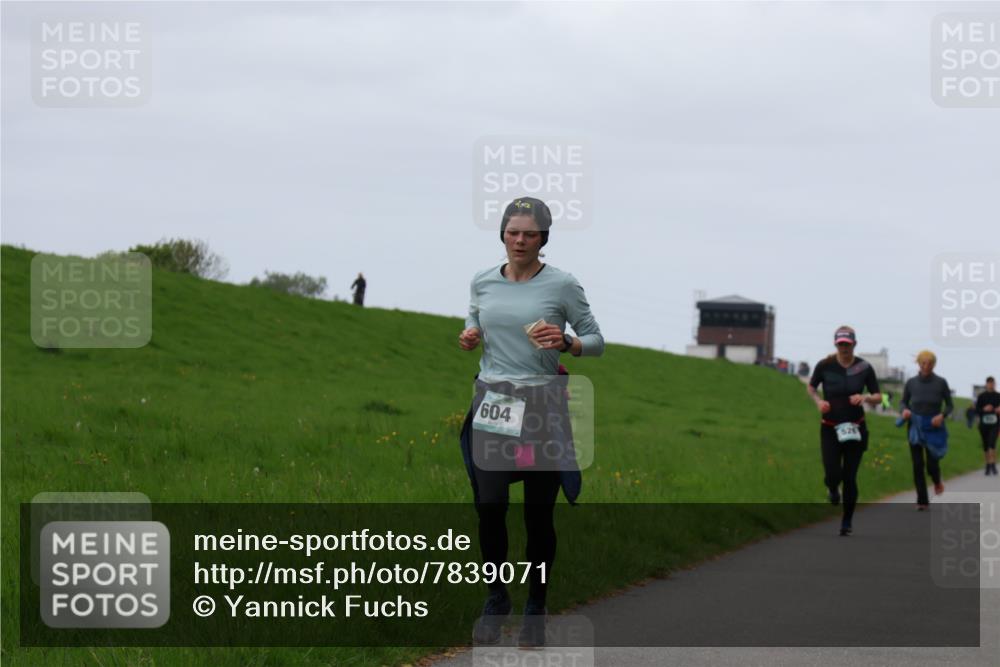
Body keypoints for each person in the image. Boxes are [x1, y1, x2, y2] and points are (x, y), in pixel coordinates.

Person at [457, 197, 604, 648]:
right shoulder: (483, 281)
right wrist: (471, 334)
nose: (520, 240)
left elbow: (596, 341)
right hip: (496, 403)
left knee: (538, 517)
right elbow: (474, 318)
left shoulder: (562, 285)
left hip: (541, 406)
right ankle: (496, 597)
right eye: (513, 232)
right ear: (502, 234)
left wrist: (567, 342)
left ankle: (535, 606)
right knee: (490, 505)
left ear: (543, 239)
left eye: (530, 234)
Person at [806, 326, 882, 536]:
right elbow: (811, 387)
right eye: (840, 344)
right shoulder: (825, 365)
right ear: (835, 344)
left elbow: (879, 396)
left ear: (854, 344)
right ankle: (832, 489)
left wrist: (865, 397)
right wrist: (818, 401)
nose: (844, 347)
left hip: (855, 428)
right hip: (830, 427)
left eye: (847, 344)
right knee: (832, 474)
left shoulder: (864, 367)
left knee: (849, 477)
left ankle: (847, 521)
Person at [900, 350, 954, 510]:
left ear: (934, 364)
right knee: (917, 465)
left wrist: (942, 416)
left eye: (930, 363)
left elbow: (950, 405)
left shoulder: (941, 382)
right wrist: (904, 410)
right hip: (915, 426)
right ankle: (922, 500)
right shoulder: (911, 383)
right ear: (918, 363)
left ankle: (937, 481)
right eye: (923, 363)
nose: (926, 366)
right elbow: (903, 402)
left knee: (932, 464)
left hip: (934, 427)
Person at [975, 376, 1000, 475]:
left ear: (995, 384)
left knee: (992, 443)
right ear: (986, 384)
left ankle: (993, 464)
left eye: (992, 383)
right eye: (989, 383)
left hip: (995, 423)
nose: (991, 385)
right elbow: (977, 410)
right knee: (985, 445)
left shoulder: (998, 396)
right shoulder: (981, 396)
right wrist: (984, 409)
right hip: (984, 424)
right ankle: (987, 464)